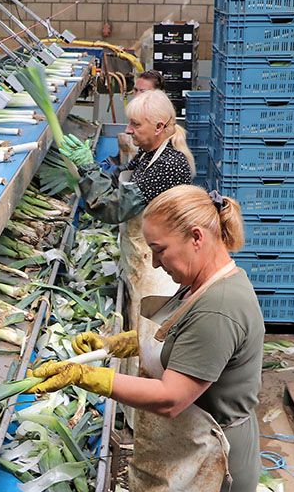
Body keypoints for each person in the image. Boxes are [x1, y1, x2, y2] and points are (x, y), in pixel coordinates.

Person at [30, 185, 264, 492]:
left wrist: (91, 377)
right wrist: (121, 344)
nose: (155, 263)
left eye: (160, 250)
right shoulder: (205, 280)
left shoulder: (220, 307)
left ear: (197, 237)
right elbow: (177, 335)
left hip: (208, 457)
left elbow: (172, 397)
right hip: (199, 449)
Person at [58, 89, 196, 320]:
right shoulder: (148, 152)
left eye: (135, 124)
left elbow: (116, 208)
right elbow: (123, 174)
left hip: (159, 268)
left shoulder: (168, 164)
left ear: (159, 127)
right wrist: (98, 168)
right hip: (143, 257)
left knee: (150, 329)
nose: (128, 130)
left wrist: (89, 169)